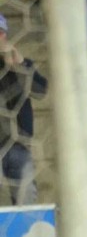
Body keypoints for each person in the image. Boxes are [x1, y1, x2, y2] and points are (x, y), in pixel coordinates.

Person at [0, 12, 47, 206]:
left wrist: (20, 66)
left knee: (26, 200)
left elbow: (40, 90)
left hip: (19, 144)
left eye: (0, 33)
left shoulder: (20, 63)